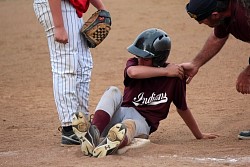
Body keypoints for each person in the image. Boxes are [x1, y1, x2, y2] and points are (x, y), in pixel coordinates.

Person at [71, 28, 219, 158]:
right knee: (113, 91)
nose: (140, 59)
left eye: (145, 57)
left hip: (142, 123)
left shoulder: (174, 79)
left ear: (158, 58)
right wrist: (166, 71)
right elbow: (132, 72)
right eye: (138, 55)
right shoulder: (134, 64)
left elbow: (182, 108)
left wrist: (198, 134)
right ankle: (94, 133)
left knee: (129, 125)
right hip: (121, 111)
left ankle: (113, 143)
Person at [33, 0, 106, 146]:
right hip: (57, 6)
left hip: (72, 7)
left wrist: (102, 8)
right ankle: (70, 128)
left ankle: (82, 125)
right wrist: (59, 26)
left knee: (83, 64)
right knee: (65, 64)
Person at [182, 0, 250, 140]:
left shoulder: (245, 14)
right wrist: (196, 64)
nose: (201, 24)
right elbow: (218, 37)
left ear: (214, 14)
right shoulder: (224, 14)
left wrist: (248, 72)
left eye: (202, 20)